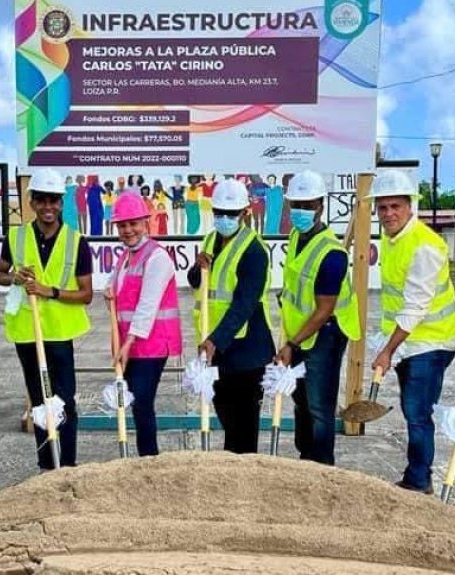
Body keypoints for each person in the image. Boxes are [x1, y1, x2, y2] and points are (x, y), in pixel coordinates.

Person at [0, 168, 94, 470]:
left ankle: (68, 464)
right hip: (27, 332)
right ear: (32, 202)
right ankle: (46, 465)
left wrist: (48, 291)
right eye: (42, 200)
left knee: (64, 401)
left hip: (60, 334)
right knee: (39, 401)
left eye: (54, 201)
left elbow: (86, 294)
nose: (48, 207)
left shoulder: (76, 242)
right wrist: (14, 277)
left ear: (61, 203)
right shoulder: (16, 236)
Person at [369, 170, 455, 495]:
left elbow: (414, 308)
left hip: (432, 340)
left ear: (411, 207)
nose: (389, 214)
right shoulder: (391, 238)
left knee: (417, 411)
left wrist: (387, 350)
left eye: (396, 206)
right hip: (411, 340)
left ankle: (419, 480)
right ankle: (417, 475)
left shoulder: (425, 247)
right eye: (383, 208)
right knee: (413, 410)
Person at [275, 171, 361, 465]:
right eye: (295, 204)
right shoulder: (298, 236)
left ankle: (323, 467)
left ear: (321, 207)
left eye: (307, 205)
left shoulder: (332, 254)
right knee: (300, 401)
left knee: (319, 406)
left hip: (326, 332)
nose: (300, 211)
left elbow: (324, 308)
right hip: (300, 331)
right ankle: (306, 458)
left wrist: (291, 343)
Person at [187, 179, 275, 453]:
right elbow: (199, 283)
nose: (224, 219)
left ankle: (245, 478)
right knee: (226, 417)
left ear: (245, 213)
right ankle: (231, 473)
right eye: (219, 213)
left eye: (231, 214)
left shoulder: (254, 250)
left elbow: (244, 303)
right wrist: (196, 267)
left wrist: (215, 340)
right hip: (218, 348)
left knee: (244, 425)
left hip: (246, 349)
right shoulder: (212, 239)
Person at [106, 193, 182, 456]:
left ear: (145, 223)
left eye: (133, 223)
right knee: (135, 402)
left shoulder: (157, 257)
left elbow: (148, 306)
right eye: (122, 225)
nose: (128, 230)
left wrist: (127, 344)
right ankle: (143, 459)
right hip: (131, 343)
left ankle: (149, 459)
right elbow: (116, 291)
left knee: (141, 401)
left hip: (151, 344)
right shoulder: (125, 257)